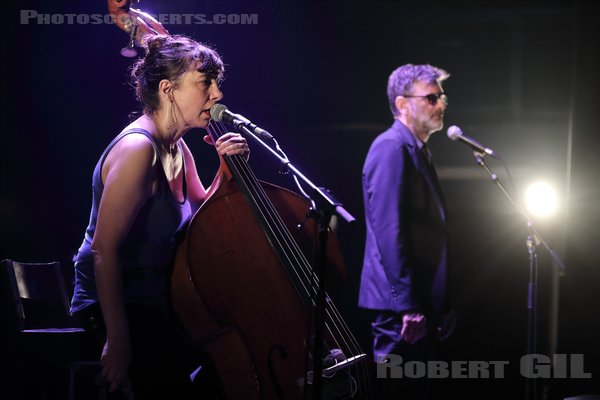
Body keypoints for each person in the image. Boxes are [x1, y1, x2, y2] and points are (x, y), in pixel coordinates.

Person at [70, 34, 249, 399]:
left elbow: (202, 211)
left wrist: (227, 171)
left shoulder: (177, 145)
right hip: (117, 304)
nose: (216, 94)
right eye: (205, 83)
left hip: (156, 300)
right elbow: (102, 251)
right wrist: (118, 341)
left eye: (215, 83)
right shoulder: (139, 150)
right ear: (168, 89)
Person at [358, 64, 457, 399]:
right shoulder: (391, 148)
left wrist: (440, 304)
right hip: (398, 307)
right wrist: (409, 306)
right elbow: (390, 232)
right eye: (431, 97)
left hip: (416, 303)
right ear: (402, 104)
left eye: (441, 97)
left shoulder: (416, 150)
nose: (441, 104)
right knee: (396, 391)